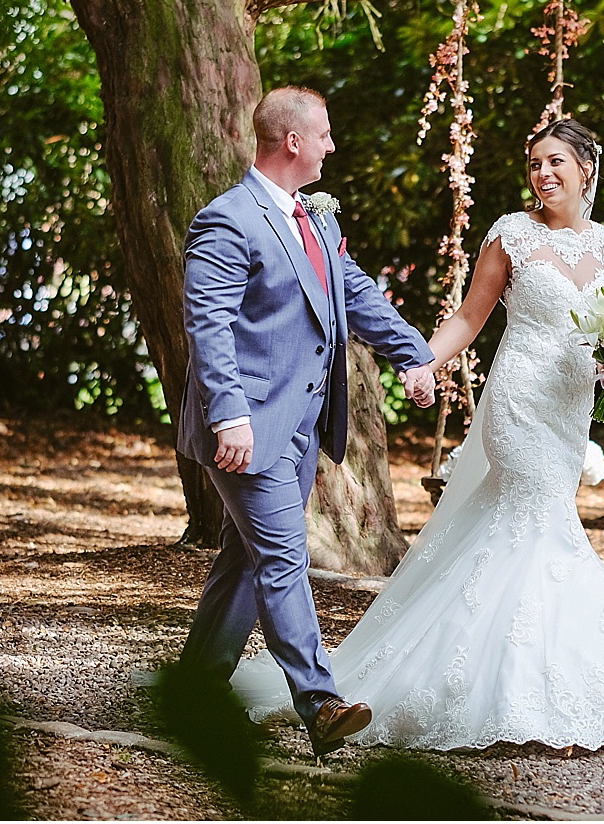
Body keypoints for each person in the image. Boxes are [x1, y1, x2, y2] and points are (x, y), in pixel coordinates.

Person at [230, 118, 604, 751]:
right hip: (517, 403)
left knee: (526, 528)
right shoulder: (511, 235)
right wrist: (424, 361)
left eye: (556, 162)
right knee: (540, 527)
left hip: (568, 408)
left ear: (585, 169)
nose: (543, 175)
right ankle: (526, 699)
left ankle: (526, 682)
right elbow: (469, 317)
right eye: (535, 163)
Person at [177, 85, 437, 757]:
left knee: (245, 559)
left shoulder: (313, 218)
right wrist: (229, 415)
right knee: (284, 557)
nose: (330, 145)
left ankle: (193, 694)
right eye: (322, 134)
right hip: (245, 429)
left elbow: (351, 291)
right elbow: (209, 325)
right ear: (292, 141)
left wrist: (413, 353)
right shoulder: (226, 220)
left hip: (298, 426)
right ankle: (318, 703)